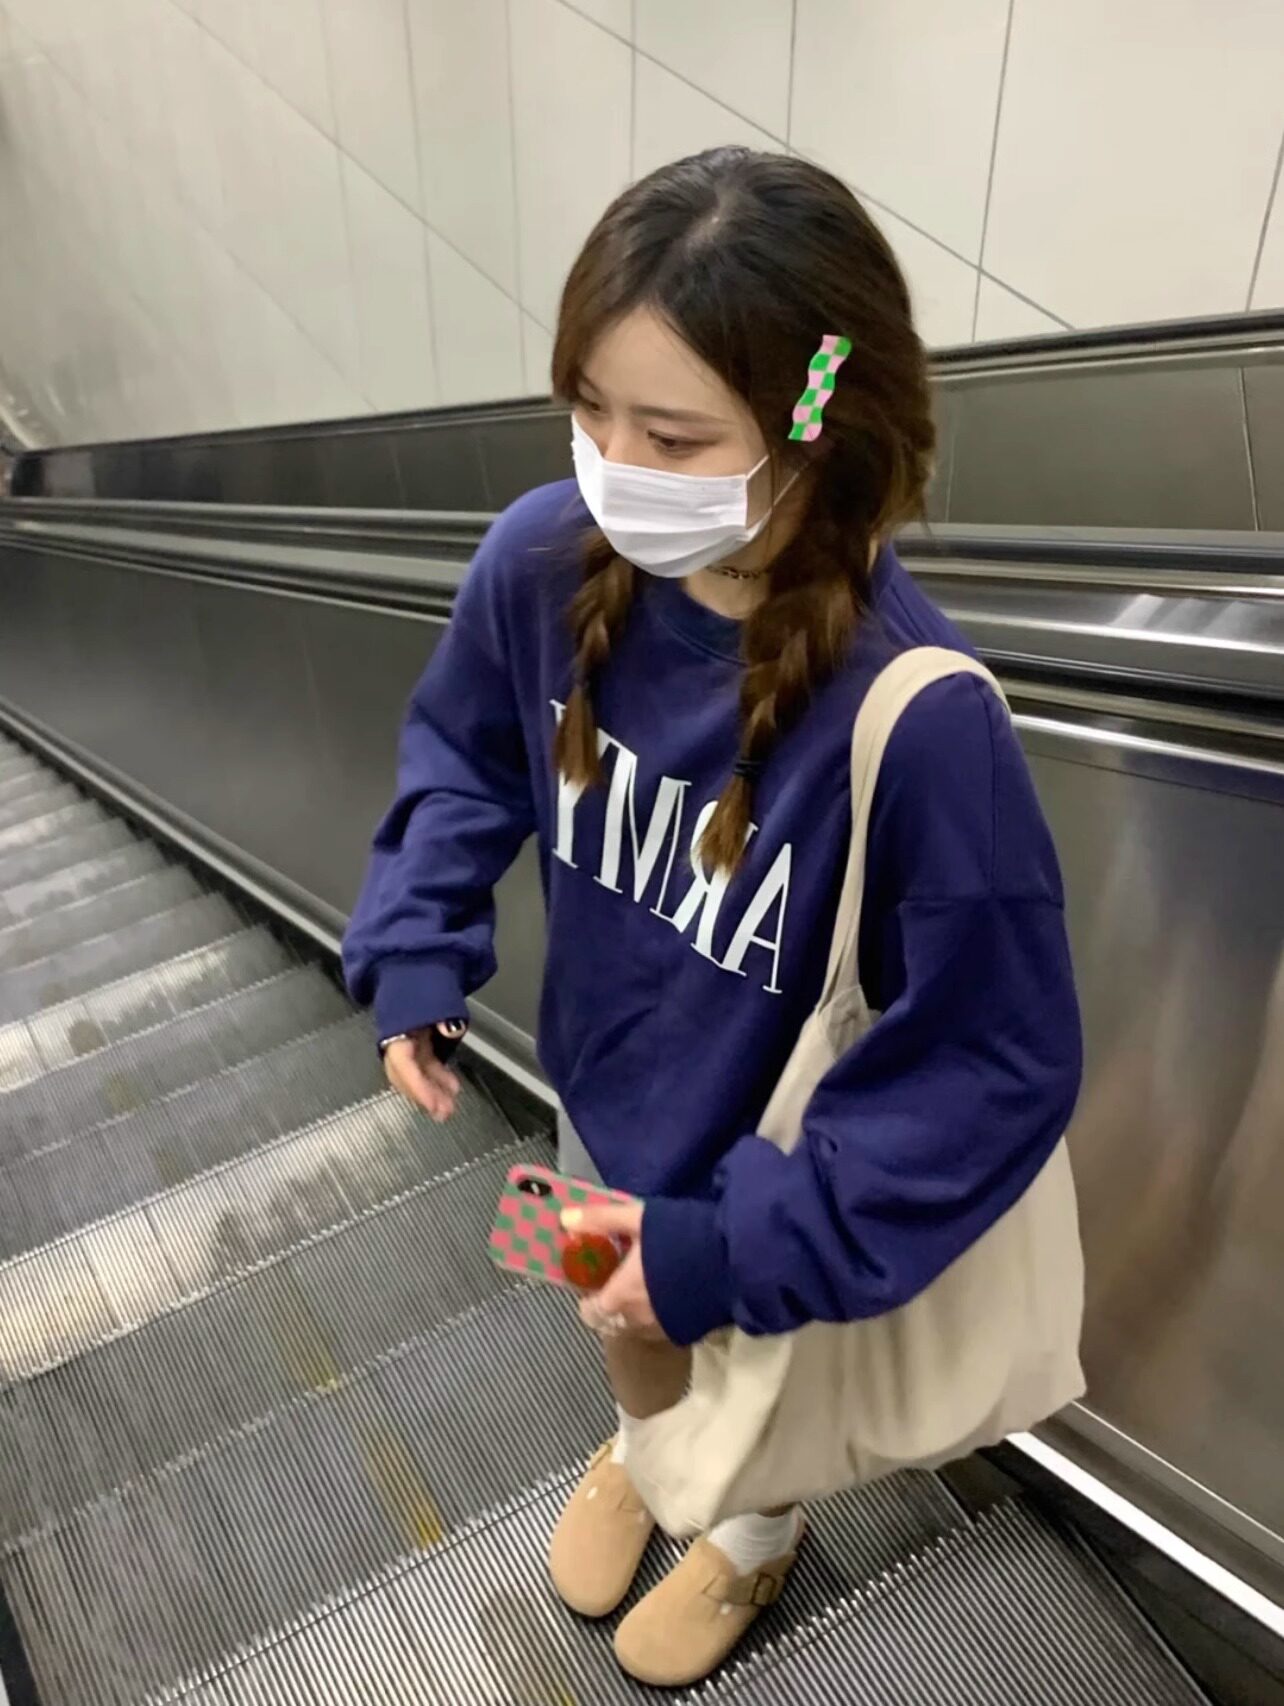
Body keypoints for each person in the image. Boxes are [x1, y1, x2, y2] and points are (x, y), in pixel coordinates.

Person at [343, 148, 1081, 1688]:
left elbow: (992, 1059)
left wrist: (740, 1242)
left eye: (671, 435)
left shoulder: (916, 719)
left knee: (751, 1392)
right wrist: (417, 935)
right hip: (597, 1092)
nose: (612, 464)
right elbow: (465, 748)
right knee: (616, 1327)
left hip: (765, 1179)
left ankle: (750, 1527)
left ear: (813, 428)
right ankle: (645, 1452)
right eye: (590, 409)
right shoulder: (540, 559)